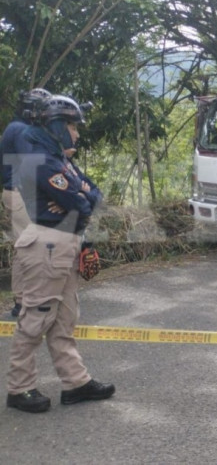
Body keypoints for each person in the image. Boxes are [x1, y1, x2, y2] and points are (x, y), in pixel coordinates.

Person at [6, 95, 113, 414]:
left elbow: (94, 196)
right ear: (56, 126)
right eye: (72, 126)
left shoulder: (60, 157)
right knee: (36, 319)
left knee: (66, 318)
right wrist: (78, 194)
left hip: (67, 241)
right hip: (47, 243)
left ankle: (75, 382)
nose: (77, 134)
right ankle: (19, 387)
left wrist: (80, 193)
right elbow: (79, 200)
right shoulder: (41, 158)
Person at [1, 88, 51, 318]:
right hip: (20, 193)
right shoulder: (21, 130)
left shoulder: (19, 128)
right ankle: (24, 302)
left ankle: (24, 300)